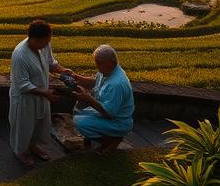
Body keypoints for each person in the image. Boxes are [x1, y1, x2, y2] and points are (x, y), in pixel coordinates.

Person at [8, 19, 72, 166]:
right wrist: (46, 93)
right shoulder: (20, 55)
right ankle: (20, 152)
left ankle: (33, 147)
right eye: (46, 41)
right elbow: (23, 85)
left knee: (39, 124)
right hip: (25, 99)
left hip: (42, 92)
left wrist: (63, 70)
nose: (48, 44)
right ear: (35, 39)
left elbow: (51, 62)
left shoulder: (44, 44)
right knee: (23, 127)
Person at [71, 44, 135, 153]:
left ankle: (112, 141)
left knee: (80, 122)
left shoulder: (116, 84)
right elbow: (95, 82)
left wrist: (88, 99)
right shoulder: (107, 71)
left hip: (117, 121)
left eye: (98, 63)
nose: (96, 65)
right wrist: (76, 77)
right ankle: (103, 138)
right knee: (78, 111)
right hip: (107, 114)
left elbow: (109, 114)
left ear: (110, 63)